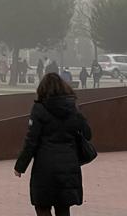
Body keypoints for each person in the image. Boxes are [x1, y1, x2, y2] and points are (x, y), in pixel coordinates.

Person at [14, 72, 92, 216]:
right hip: (69, 165)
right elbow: (88, 134)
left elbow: (31, 141)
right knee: (63, 208)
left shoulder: (39, 109)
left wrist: (20, 166)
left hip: (45, 167)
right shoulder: (73, 108)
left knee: (42, 206)